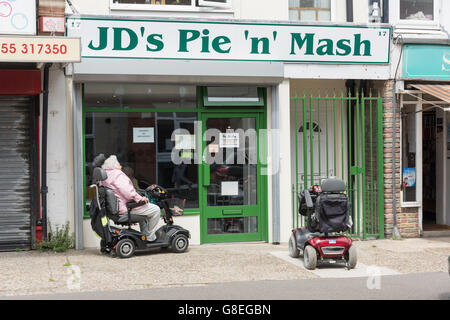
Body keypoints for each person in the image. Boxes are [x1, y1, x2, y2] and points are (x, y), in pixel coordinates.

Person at [101, 155, 160, 242]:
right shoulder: (117, 174)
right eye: (118, 163)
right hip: (125, 209)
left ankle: (144, 236)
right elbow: (128, 192)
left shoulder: (105, 176)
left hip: (115, 210)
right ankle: (150, 238)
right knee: (156, 210)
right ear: (114, 165)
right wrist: (140, 199)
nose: (121, 166)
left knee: (144, 214)